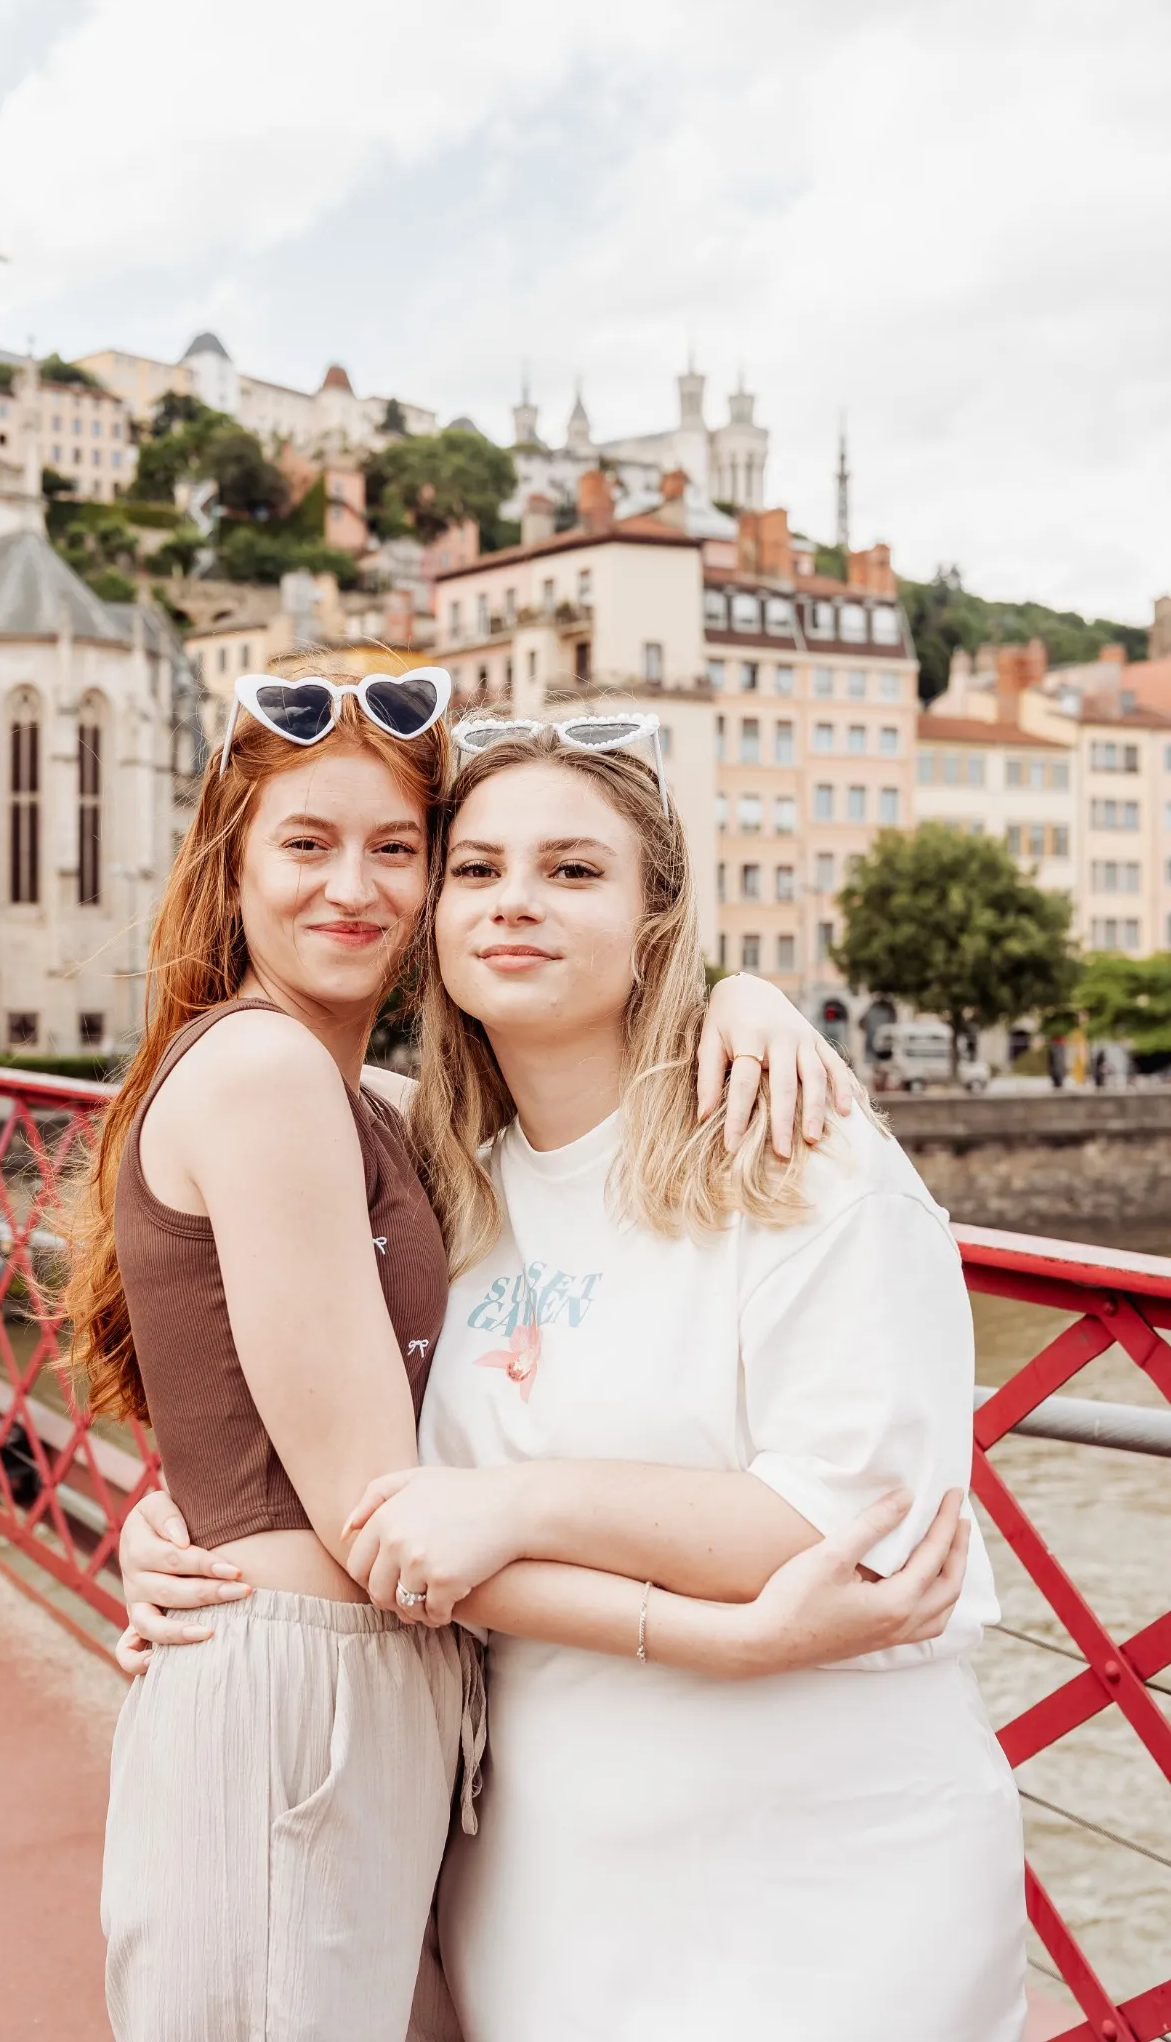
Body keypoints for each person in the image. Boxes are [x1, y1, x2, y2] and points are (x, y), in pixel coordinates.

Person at [117, 711, 1022, 2041]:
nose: (515, 905)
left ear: (659, 918)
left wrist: (527, 1501)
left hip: (818, 1874)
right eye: (476, 869)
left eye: (575, 871)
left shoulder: (791, 1148)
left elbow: (864, 1532)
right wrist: (201, 1519)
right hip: (533, 1883)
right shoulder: (431, 1176)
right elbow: (302, 1391)